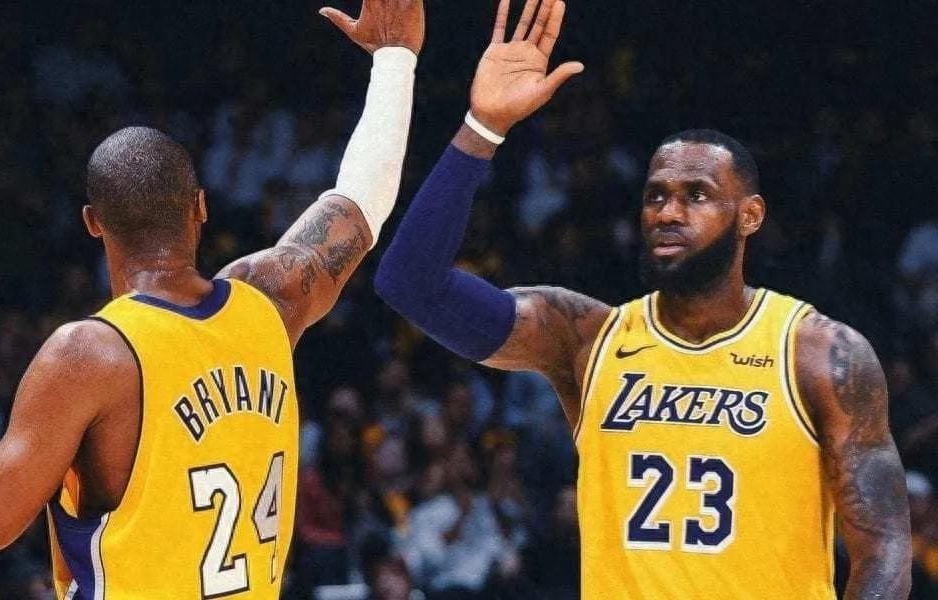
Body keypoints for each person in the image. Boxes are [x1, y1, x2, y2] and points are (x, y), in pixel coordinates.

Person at [373, 0, 912, 597]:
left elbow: (884, 553)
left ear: (750, 215)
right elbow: (410, 282)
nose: (668, 212)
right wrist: (482, 128)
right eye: (656, 196)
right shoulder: (585, 339)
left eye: (696, 195)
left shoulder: (819, 354)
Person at [0, 0, 424, 597]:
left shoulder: (87, 356)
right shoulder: (271, 301)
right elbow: (359, 207)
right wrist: (396, 60)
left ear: (93, 223)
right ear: (200, 208)